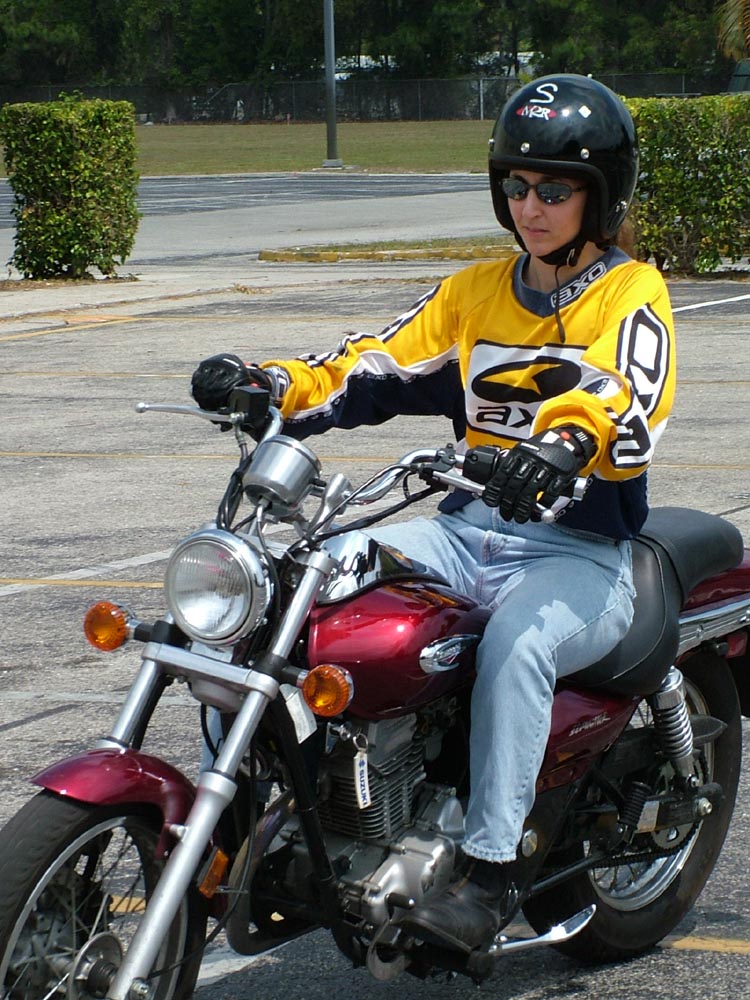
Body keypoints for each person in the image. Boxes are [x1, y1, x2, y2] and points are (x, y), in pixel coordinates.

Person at [190, 74, 676, 955]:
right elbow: (374, 363)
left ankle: (490, 874)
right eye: (516, 185)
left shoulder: (630, 291)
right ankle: (256, 814)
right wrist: (273, 385)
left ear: (599, 196)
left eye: (555, 189)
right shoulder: (476, 291)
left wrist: (564, 442)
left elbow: (627, 390)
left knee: (518, 645)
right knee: (294, 585)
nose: (531, 206)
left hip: (580, 555)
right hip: (464, 533)